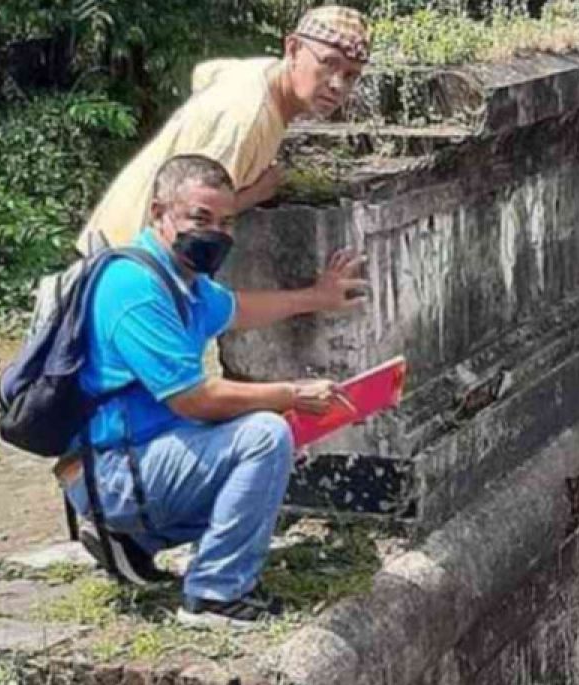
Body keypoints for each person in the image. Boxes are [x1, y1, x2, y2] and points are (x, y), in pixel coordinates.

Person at [56, 153, 369, 628]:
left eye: (227, 222)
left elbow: (240, 308)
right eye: (201, 218)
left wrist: (317, 297)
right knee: (263, 435)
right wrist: (291, 392)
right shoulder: (134, 287)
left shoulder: (184, 282)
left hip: (136, 460)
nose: (217, 234)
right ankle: (216, 594)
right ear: (160, 213)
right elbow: (193, 399)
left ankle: (135, 541)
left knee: (266, 436)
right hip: (113, 471)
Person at [76, 5, 371, 254]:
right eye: (329, 64)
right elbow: (193, 216)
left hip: (119, 241)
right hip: (129, 257)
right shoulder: (246, 119)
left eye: (350, 76)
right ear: (292, 49)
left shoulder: (262, 74)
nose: (337, 85)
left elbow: (206, 73)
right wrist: (256, 193)